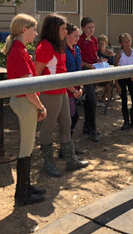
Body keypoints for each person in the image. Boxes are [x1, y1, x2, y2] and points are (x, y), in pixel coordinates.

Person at [35, 13, 89, 177]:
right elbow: (37, 74)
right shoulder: (45, 46)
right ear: (53, 30)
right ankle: (48, 163)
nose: (66, 32)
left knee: (66, 124)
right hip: (50, 94)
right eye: (63, 29)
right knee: (48, 128)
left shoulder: (60, 46)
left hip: (63, 92)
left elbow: (62, 71)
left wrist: (72, 90)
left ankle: (71, 160)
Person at [2, 14, 47, 206]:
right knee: (26, 146)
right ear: (24, 30)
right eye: (34, 29)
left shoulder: (19, 49)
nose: (36, 33)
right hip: (24, 102)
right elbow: (28, 87)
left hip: (23, 101)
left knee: (28, 145)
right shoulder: (19, 52)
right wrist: (41, 106)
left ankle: (26, 187)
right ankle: (22, 194)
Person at [61, 22, 85, 157]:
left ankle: (67, 146)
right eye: (74, 35)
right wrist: (72, 90)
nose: (77, 38)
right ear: (67, 36)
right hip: (66, 90)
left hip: (75, 88)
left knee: (73, 117)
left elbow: (79, 70)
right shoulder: (63, 50)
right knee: (72, 117)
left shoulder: (76, 50)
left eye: (78, 36)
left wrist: (80, 87)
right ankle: (66, 147)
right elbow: (62, 73)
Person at [77, 17, 100, 142]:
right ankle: (93, 129)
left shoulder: (94, 40)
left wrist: (99, 61)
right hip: (85, 72)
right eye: (89, 27)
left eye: (93, 27)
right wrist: (87, 65)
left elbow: (94, 56)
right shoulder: (79, 41)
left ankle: (87, 125)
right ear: (83, 28)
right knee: (92, 100)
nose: (91, 30)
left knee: (88, 100)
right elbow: (78, 60)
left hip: (94, 71)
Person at [114, 33, 133, 130]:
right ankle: (126, 121)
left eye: (129, 41)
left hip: (131, 78)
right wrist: (117, 84)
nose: (128, 43)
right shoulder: (119, 54)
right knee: (124, 100)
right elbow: (115, 70)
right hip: (122, 78)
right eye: (125, 42)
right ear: (121, 43)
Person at [97, 34, 115, 104]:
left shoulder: (109, 53)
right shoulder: (96, 53)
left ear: (106, 44)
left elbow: (112, 65)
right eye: (100, 43)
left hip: (107, 74)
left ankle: (104, 96)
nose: (101, 45)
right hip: (98, 73)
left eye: (103, 43)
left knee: (109, 83)